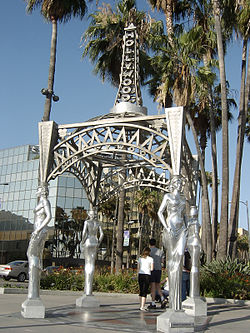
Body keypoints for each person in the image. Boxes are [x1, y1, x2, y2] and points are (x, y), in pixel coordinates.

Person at [158, 175, 188, 311]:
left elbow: (185, 215)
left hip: (181, 229)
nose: (181, 185)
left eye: (182, 183)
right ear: (174, 183)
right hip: (170, 229)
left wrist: (186, 227)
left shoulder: (183, 198)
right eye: (179, 182)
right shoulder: (167, 196)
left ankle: (176, 291)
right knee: (172, 260)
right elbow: (160, 212)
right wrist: (166, 226)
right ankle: (173, 295)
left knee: (180, 256)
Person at [27, 185, 52, 299]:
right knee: (34, 255)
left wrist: (38, 230)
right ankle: (33, 291)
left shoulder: (45, 201)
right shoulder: (42, 201)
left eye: (38, 189)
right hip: (40, 231)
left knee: (32, 254)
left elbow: (49, 217)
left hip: (40, 231)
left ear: (42, 191)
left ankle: (34, 292)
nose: (36, 191)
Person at [81, 209, 103, 296]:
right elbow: (102, 234)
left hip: (88, 241)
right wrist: (98, 242)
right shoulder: (97, 223)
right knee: (92, 264)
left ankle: (87, 290)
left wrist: (82, 241)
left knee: (87, 264)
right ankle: (88, 289)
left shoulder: (87, 222)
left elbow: (84, 233)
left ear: (89, 215)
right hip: (95, 242)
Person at [147, 238, 165, 309]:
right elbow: (162, 261)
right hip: (159, 270)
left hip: (152, 270)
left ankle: (153, 302)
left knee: (153, 287)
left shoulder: (148, 251)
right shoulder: (160, 251)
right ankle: (162, 298)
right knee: (158, 285)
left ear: (149, 243)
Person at [137, 247, 154, 311]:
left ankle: (140, 305)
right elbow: (152, 268)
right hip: (147, 275)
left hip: (140, 274)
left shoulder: (140, 259)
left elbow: (138, 268)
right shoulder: (151, 259)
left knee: (141, 290)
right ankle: (142, 306)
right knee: (145, 290)